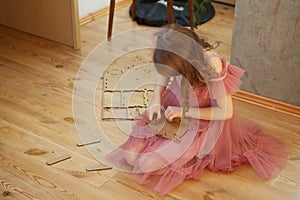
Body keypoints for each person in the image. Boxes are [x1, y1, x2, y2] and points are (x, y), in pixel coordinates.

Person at [106, 23, 288, 196]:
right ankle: (167, 148)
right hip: (174, 107)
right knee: (131, 159)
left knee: (145, 164)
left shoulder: (211, 66)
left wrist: (184, 111)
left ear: (185, 65)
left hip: (201, 118)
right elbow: (163, 72)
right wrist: (155, 100)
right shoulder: (171, 42)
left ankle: (187, 152)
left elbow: (225, 112)